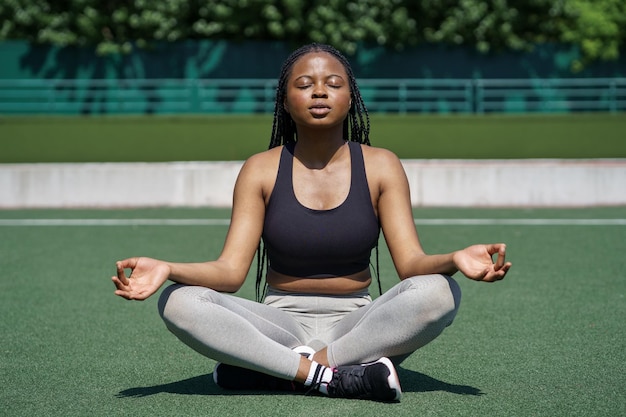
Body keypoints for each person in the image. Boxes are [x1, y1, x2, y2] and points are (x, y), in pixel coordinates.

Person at [112, 43, 511, 402]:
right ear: (285, 101)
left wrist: (455, 258)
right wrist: (167, 269)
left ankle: (281, 370)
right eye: (304, 84)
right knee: (178, 301)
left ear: (351, 98)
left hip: (357, 326)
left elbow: (411, 266)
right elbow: (229, 272)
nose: (319, 91)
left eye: (332, 83)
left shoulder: (381, 165)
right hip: (279, 324)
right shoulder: (260, 170)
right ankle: (332, 377)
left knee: (441, 292)